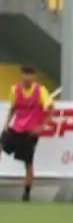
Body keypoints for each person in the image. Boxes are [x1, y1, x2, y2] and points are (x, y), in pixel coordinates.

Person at [2, 66, 53, 202]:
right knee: (1, 144)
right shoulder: (15, 90)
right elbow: (13, 108)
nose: (27, 77)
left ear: (34, 77)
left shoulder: (40, 91)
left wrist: (41, 126)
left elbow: (51, 109)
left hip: (30, 133)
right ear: (22, 76)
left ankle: (26, 193)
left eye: (30, 75)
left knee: (28, 163)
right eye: (25, 74)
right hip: (16, 128)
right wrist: (7, 123)